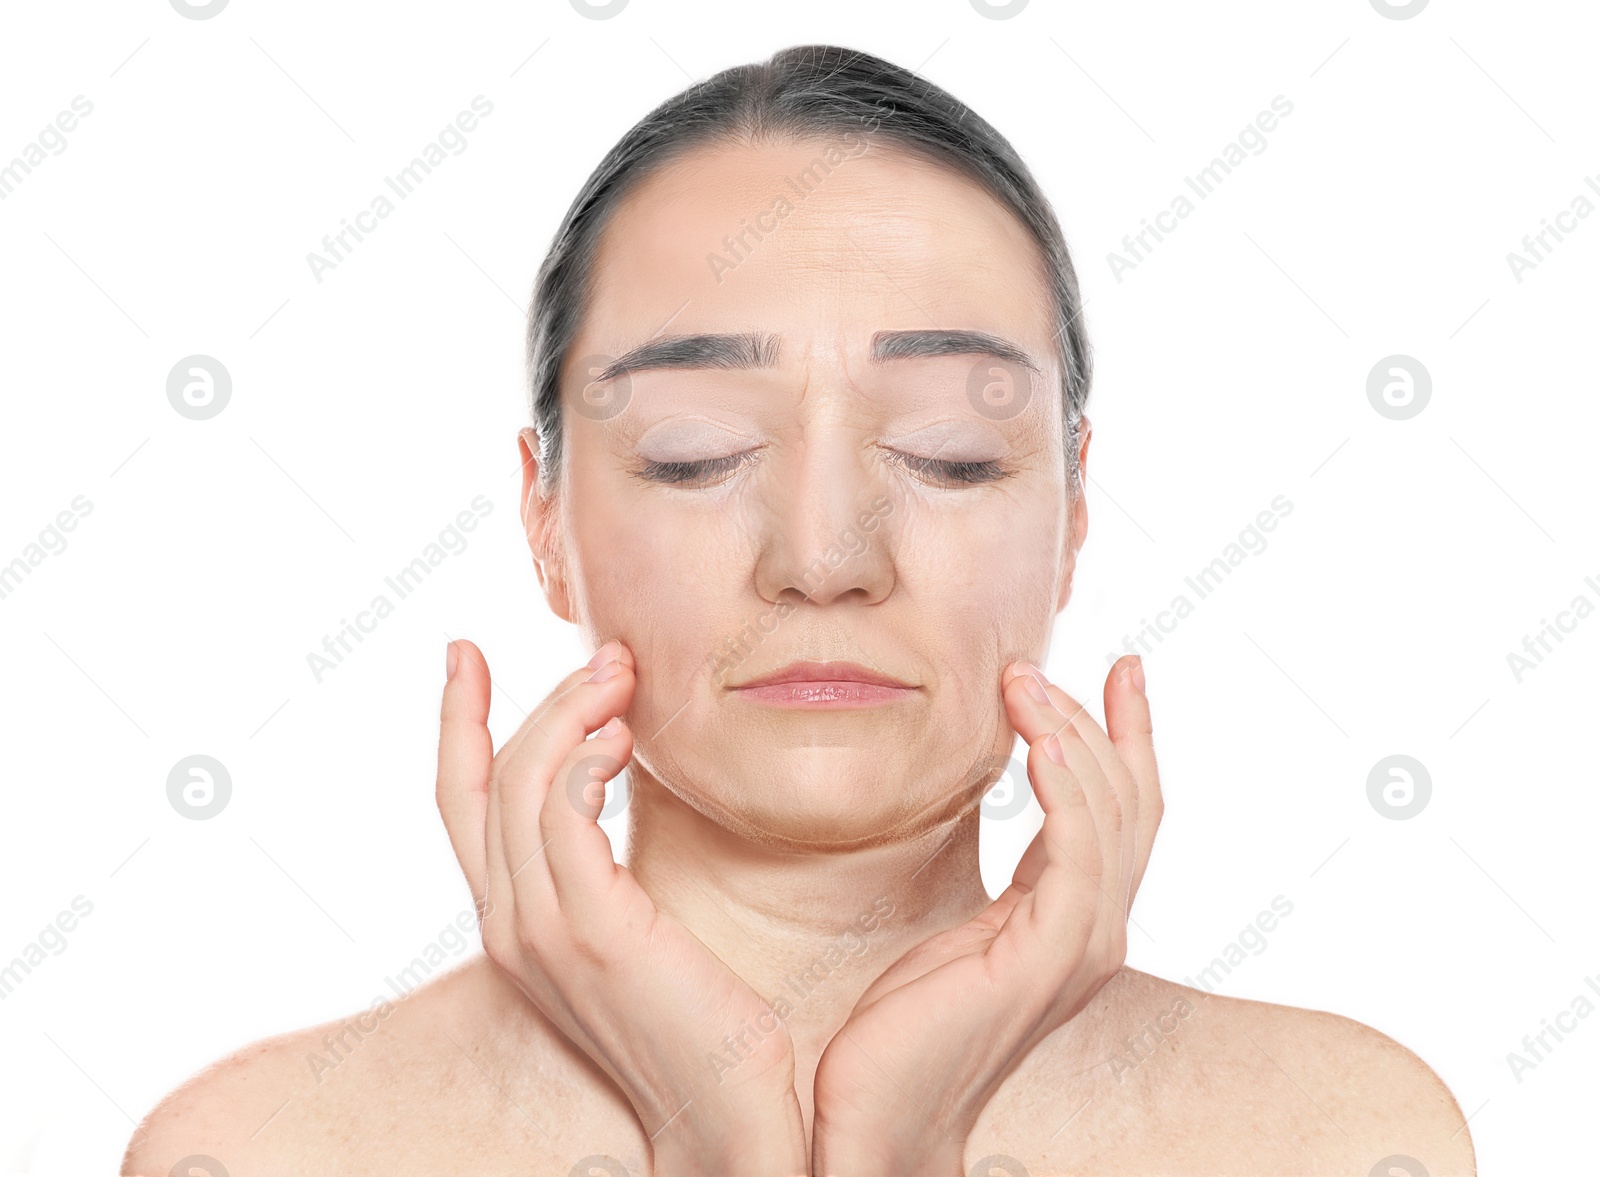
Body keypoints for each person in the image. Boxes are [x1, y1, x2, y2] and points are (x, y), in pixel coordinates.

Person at [126, 44, 1475, 1177]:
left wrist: (902, 1145)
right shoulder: (262, 1149)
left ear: (1070, 515)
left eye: (949, 452)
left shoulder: (1338, 1135)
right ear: (544, 519)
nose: (825, 556)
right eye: (696, 451)